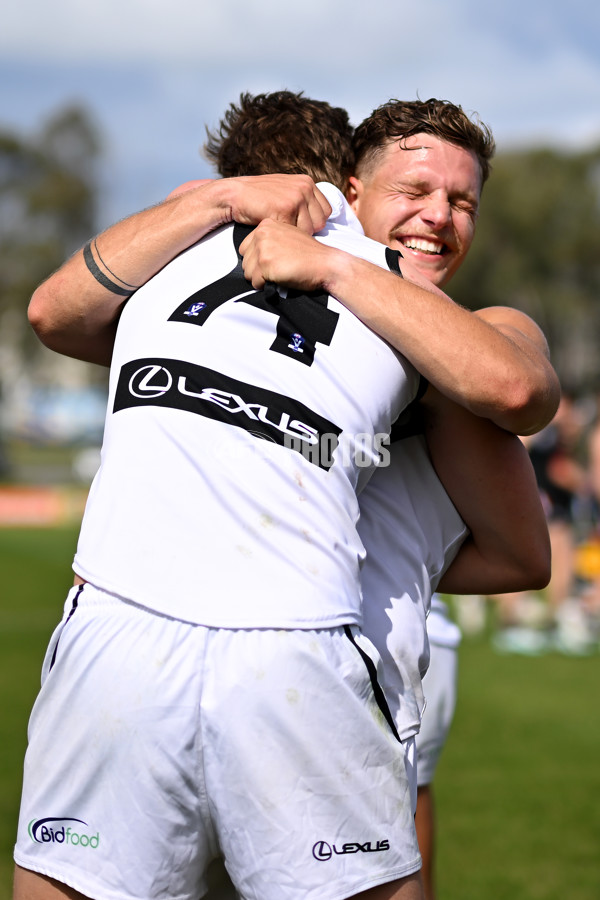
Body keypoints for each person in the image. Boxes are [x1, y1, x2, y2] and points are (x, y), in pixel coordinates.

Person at [15, 93, 556, 900]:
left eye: (462, 201)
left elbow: (518, 436)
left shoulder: (467, 336)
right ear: (347, 190)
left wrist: (336, 549)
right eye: (413, 193)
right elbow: (61, 315)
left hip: (331, 660)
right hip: (184, 643)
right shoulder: (225, 268)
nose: (438, 217)